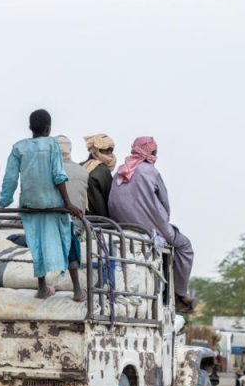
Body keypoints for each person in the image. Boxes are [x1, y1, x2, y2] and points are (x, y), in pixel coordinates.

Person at [0, 109, 85, 300]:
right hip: (54, 204)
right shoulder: (52, 145)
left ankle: (41, 287)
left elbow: (10, 179)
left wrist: (2, 204)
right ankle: (78, 290)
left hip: (30, 205)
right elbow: (58, 175)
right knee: (68, 238)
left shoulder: (18, 148)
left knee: (36, 242)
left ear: (30, 128)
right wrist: (68, 204)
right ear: (48, 129)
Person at [107, 136, 197, 313]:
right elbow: (165, 203)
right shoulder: (151, 172)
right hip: (148, 227)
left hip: (119, 226)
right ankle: (180, 294)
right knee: (184, 245)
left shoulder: (120, 171)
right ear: (151, 153)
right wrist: (163, 222)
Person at [58, 135, 90, 301]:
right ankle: (77, 290)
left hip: (54, 223)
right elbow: (84, 204)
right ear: (69, 150)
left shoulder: (48, 170)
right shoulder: (83, 171)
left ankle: (44, 286)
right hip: (77, 225)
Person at [81, 133, 116, 218]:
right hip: (99, 222)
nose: (110, 155)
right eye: (106, 151)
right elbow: (109, 200)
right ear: (96, 151)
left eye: (111, 151)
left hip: (80, 219)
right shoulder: (103, 170)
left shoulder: (80, 166)